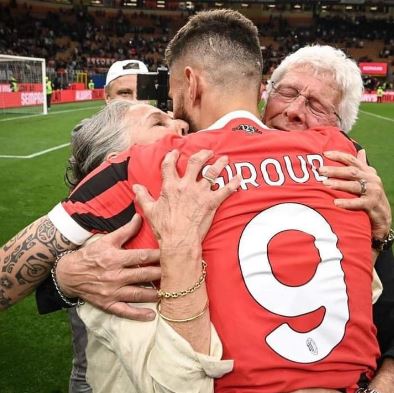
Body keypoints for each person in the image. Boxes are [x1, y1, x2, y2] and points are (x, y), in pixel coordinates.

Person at [0, 10, 392, 392]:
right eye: (288, 93)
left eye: (170, 93)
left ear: (190, 83)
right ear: (260, 88)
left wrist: (61, 273)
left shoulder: (153, 163)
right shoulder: (345, 158)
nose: (173, 111)